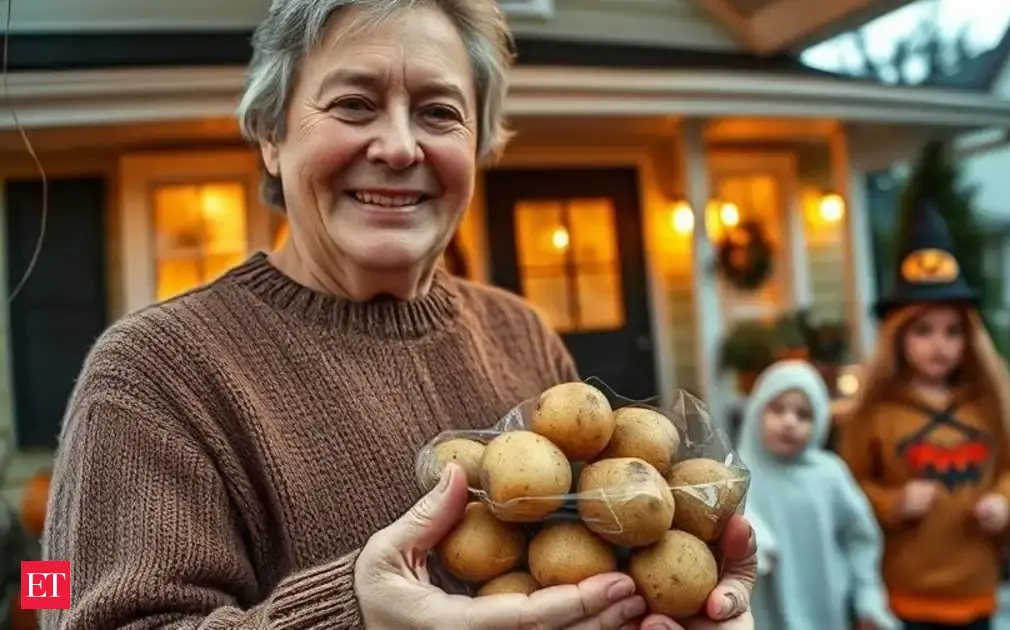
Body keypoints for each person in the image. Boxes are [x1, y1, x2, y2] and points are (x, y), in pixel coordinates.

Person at [40, 0, 756, 627]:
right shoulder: (152, 375)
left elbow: (591, 565)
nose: (398, 146)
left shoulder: (521, 331)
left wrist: (669, 602)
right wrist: (351, 614)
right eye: (353, 104)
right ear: (270, 134)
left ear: (477, 146)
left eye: (440, 112)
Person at [838, 200, 1010, 630]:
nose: (938, 344)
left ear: (969, 338)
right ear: (899, 337)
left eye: (952, 331)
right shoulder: (877, 413)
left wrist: (1006, 502)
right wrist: (893, 502)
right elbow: (849, 492)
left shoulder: (986, 405)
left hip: (976, 590)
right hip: (903, 594)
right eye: (923, 331)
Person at [738, 360, 897, 630]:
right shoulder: (738, 474)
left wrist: (868, 598)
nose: (789, 422)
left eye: (803, 415)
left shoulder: (830, 474)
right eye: (777, 409)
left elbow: (861, 537)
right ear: (757, 411)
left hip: (826, 611)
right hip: (764, 613)